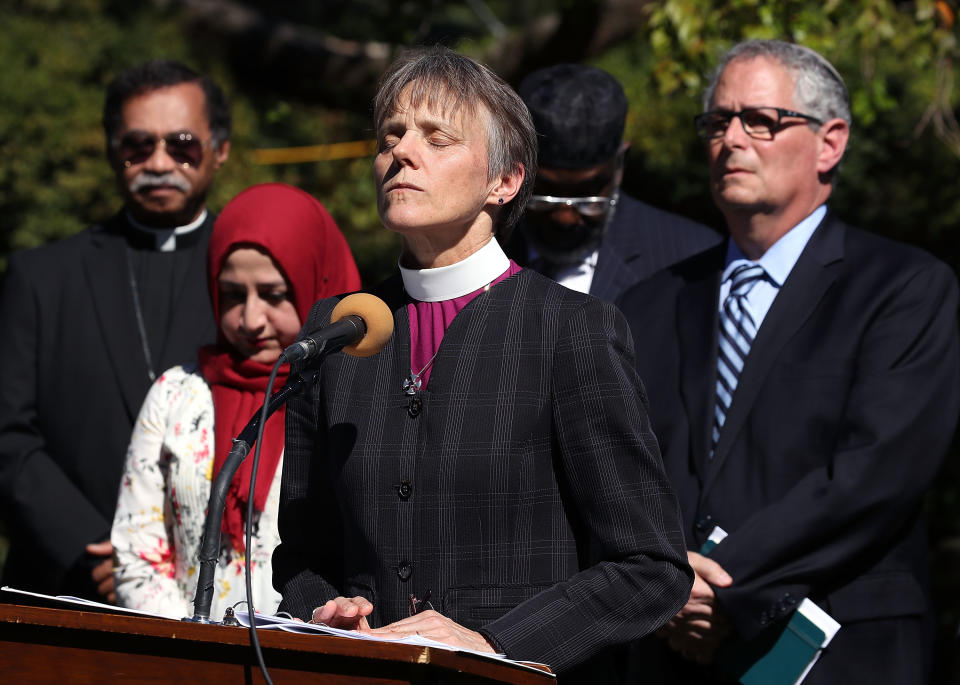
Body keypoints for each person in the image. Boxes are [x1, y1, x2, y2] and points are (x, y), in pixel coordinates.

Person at [271, 46, 693, 681]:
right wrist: (326, 611)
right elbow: (301, 555)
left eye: (437, 138)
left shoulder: (572, 331)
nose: (401, 153)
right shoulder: (339, 334)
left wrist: (496, 643)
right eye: (391, 136)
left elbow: (650, 567)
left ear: (506, 180)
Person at [617, 39, 960, 684]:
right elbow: (618, 468)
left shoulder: (902, 288)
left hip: (838, 646)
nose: (731, 139)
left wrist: (725, 588)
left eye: (761, 121)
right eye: (718, 122)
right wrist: (663, 583)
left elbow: (876, 474)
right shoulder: (651, 302)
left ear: (830, 143)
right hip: (671, 647)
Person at [0, 59, 231, 601]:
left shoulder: (256, 281)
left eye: (182, 145)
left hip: (212, 587)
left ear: (218, 150)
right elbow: (7, 434)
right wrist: (87, 545)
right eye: (137, 145)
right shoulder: (43, 276)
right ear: (112, 151)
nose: (158, 162)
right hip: (62, 583)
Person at [111, 183, 361, 620]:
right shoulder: (176, 394)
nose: (250, 319)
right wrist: (196, 653)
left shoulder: (357, 398)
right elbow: (138, 555)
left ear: (317, 281)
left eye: (273, 295)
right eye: (231, 295)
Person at [505, 63, 720, 302]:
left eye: (587, 194)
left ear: (620, 166)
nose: (565, 217)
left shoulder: (691, 257)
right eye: (545, 191)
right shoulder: (471, 245)